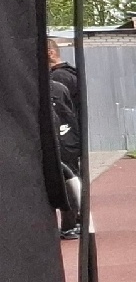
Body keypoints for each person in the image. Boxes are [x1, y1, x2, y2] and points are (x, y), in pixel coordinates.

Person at [46, 40, 82, 239]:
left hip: (64, 138)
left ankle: (71, 223)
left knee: (67, 180)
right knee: (71, 179)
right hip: (70, 137)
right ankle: (75, 221)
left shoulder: (59, 78)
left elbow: (62, 113)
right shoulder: (71, 74)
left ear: (50, 53)